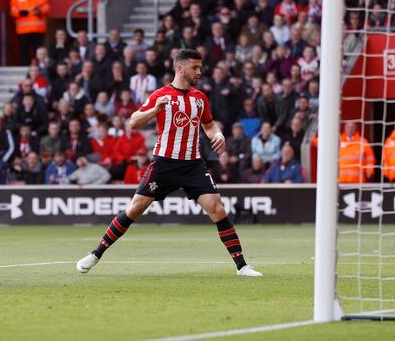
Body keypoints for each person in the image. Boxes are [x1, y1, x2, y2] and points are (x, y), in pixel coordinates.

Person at [76, 49, 262, 277]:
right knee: (135, 209)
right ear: (180, 68)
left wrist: (219, 134)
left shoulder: (199, 98)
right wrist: (155, 110)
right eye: (195, 67)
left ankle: (242, 266)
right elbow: (134, 121)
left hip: (193, 164)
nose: (199, 72)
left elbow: (209, 125)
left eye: (200, 67)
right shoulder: (160, 95)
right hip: (164, 163)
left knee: (218, 209)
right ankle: (95, 254)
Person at [9, 0, 50, 65]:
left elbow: (47, 7)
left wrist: (40, 11)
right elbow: (12, 10)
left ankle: (41, 66)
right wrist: (20, 13)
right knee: (24, 50)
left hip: (38, 28)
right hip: (23, 29)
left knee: (39, 50)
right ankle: (25, 66)